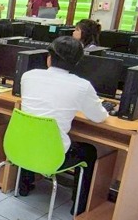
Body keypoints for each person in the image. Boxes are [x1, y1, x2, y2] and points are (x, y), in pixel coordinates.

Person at [18, 36, 107, 209]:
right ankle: (79, 207)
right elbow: (99, 117)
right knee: (89, 151)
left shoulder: (28, 76)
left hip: (20, 147)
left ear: (49, 57)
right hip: (53, 156)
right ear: (77, 62)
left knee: (35, 134)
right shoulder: (82, 86)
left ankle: (24, 186)